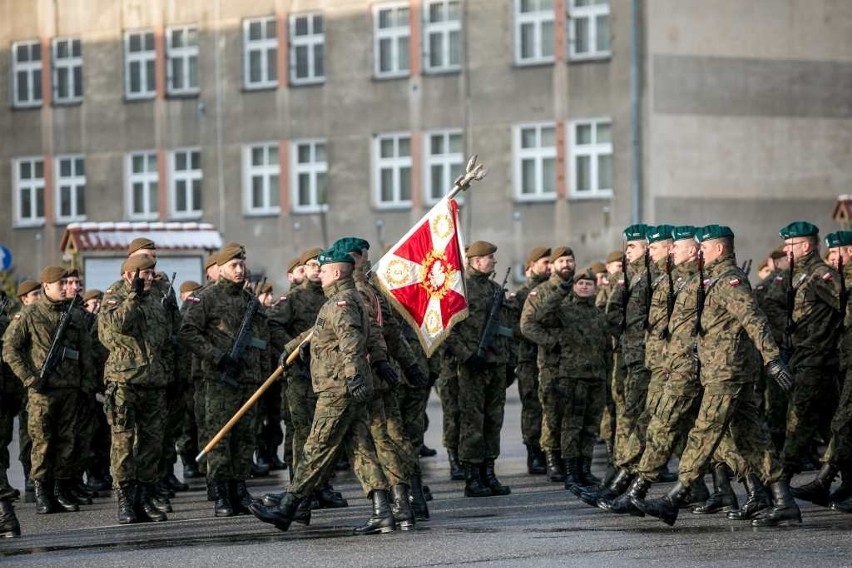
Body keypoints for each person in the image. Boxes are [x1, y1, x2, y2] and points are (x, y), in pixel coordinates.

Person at [631, 224, 799, 528]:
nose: (700, 252)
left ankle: (674, 498)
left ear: (719, 249)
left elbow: (753, 318)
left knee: (704, 431)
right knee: (753, 437)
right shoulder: (712, 279)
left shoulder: (728, 280)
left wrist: (772, 358)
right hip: (720, 371)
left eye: (704, 248)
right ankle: (783, 500)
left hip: (728, 372)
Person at [250, 246, 399, 535]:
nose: (319, 273)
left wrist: (355, 375)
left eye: (324, 269)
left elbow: (351, 340)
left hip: (338, 387)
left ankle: (288, 506)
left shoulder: (341, 301)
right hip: (344, 385)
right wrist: (292, 347)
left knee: (316, 446)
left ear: (337, 272)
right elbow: (321, 332)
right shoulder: (343, 299)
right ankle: (382, 511)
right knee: (360, 450)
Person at [179, 243, 270, 517]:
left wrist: (263, 374)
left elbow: (261, 341)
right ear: (220, 269)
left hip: (249, 378)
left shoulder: (250, 301)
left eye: (242, 265)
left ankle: (239, 487)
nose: (240, 270)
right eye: (234, 266)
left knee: (245, 437)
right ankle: (220, 491)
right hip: (219, 380)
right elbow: (187, 331)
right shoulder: (205, 298)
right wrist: (217, 357)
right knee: (220, 436)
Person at [3, 266, 95, 514]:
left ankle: (60, 490)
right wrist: (29, 378)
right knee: (42, 442)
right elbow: (9, 349)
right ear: (46, 287)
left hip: (70, 389)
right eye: (61, 284)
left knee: (67, 442)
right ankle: (42, 491)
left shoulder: (74, 315)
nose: (67, 288)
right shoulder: (30, 314)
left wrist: (86, 385)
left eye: (68, 284)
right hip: (42, 392)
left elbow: (86, 353)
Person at [99, 254, 172, 523]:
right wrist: (132, 296)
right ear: (129, 275)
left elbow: (164, 337)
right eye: (145, 274)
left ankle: (144, 498)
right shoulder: (114, 296)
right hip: (124, 381)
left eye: (153, 273)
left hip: (153, 380)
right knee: (124, 443)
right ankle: (125, 501)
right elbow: (114, 328)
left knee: (152, 444)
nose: (151, 278)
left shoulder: (155, 298)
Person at [445, 240, 514, 498]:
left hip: (496, 363)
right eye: (490, 258)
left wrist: (510, 363)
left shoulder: (497, 289)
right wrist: (466, 355)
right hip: (472, 365)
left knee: (493, 420)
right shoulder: (460, 290)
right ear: (475, 261)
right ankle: (472, 477)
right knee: (472, 421)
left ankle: (489, 472)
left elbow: (506, 330)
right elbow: (448, 329)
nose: (494, 261)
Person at [793, 230, 852, 509]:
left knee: (842, 422)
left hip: (834, 358)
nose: (831, 259)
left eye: (836, 253)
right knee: (839, 421)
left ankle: (824, 481)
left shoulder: (835, 279)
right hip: (841, 359)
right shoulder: (841, 279)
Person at [778, 222, 842, 477]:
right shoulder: (800, 275)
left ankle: (779, 489)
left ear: (805, 246)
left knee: (798, 421)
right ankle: (843, 484)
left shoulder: (821, 275)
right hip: (804, 356)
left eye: (789, 244)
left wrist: (833, 342)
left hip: (818, 358)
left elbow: (845, 308)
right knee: (833, 424)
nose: (784, 249)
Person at [520, 246, 576, 483]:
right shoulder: (540, 292)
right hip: (548, 362)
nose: (566, 265)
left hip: (576, 364)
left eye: (570, 261)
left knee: (573, 414)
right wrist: (553, 342)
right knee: (548, 412)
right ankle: (547, 458)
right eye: (561, 261)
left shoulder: (579, 288)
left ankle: (571, 461)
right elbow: (527, 325)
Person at [508, 246, 551, 475]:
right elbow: (514, 328)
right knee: (532, 406)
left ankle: (551, 451)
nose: (549, 267)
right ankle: (534, 453)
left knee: (551, 405)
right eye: (544, 262)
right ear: (530, 266)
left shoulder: (555, 291)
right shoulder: (523, 295)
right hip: (528, 358)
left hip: (551, 360)